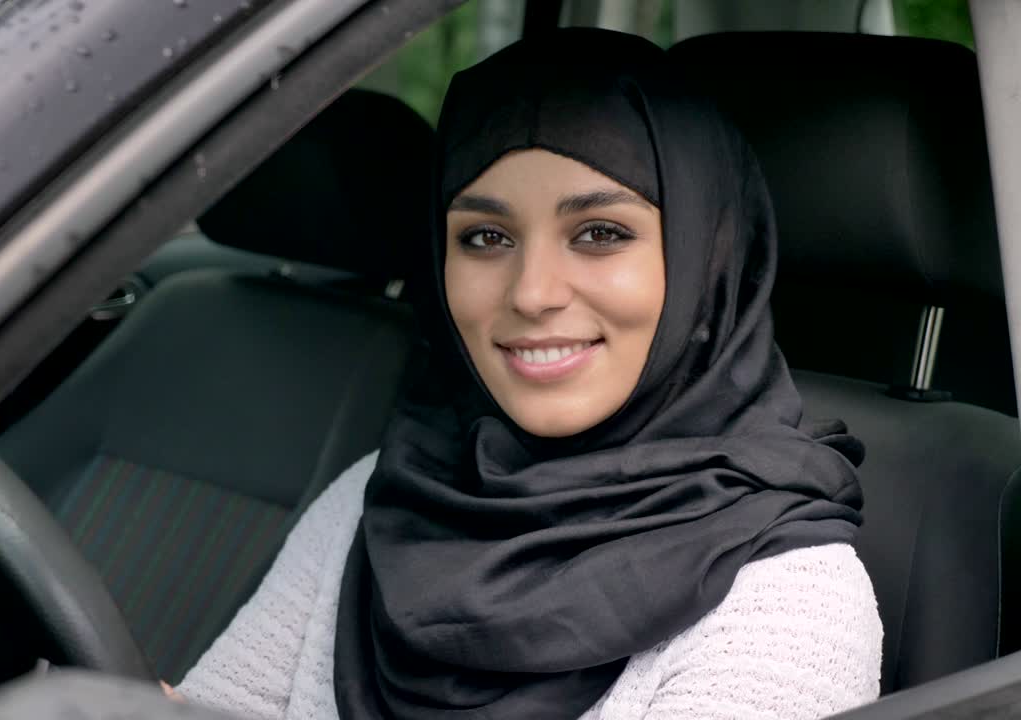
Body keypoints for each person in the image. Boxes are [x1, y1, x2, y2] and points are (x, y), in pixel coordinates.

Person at [171, 27, 882, 719]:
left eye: (600, 233)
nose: (532, 292)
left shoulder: (786, 598)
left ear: (707, 259)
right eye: (486, 237)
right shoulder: (378, 498)